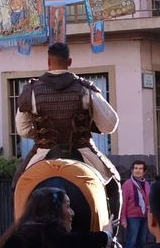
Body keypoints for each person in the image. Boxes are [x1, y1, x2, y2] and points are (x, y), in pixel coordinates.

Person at [14, 42, 121, 216]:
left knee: (17, 185)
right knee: (113, 184)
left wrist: (41, 132)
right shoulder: (86, 89)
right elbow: (110, 125)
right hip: (83, 151)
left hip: (43, 152)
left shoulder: (31, 91)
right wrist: (89, 125)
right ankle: (112, 235)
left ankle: (19, 230)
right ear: (69, 61)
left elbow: (23, 130)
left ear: (48, 61)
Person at [122, 160, 153, 248]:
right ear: (132, 170)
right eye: (135, 168)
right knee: (131, 242)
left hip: (144, 216)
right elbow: (123, 202)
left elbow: (149, 201)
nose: (137, 170)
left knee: (142, 241)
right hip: (132, 217)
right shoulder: (127, 184)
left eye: (140, 168)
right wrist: (123, 218)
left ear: (144, 172)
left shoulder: (147, 184)